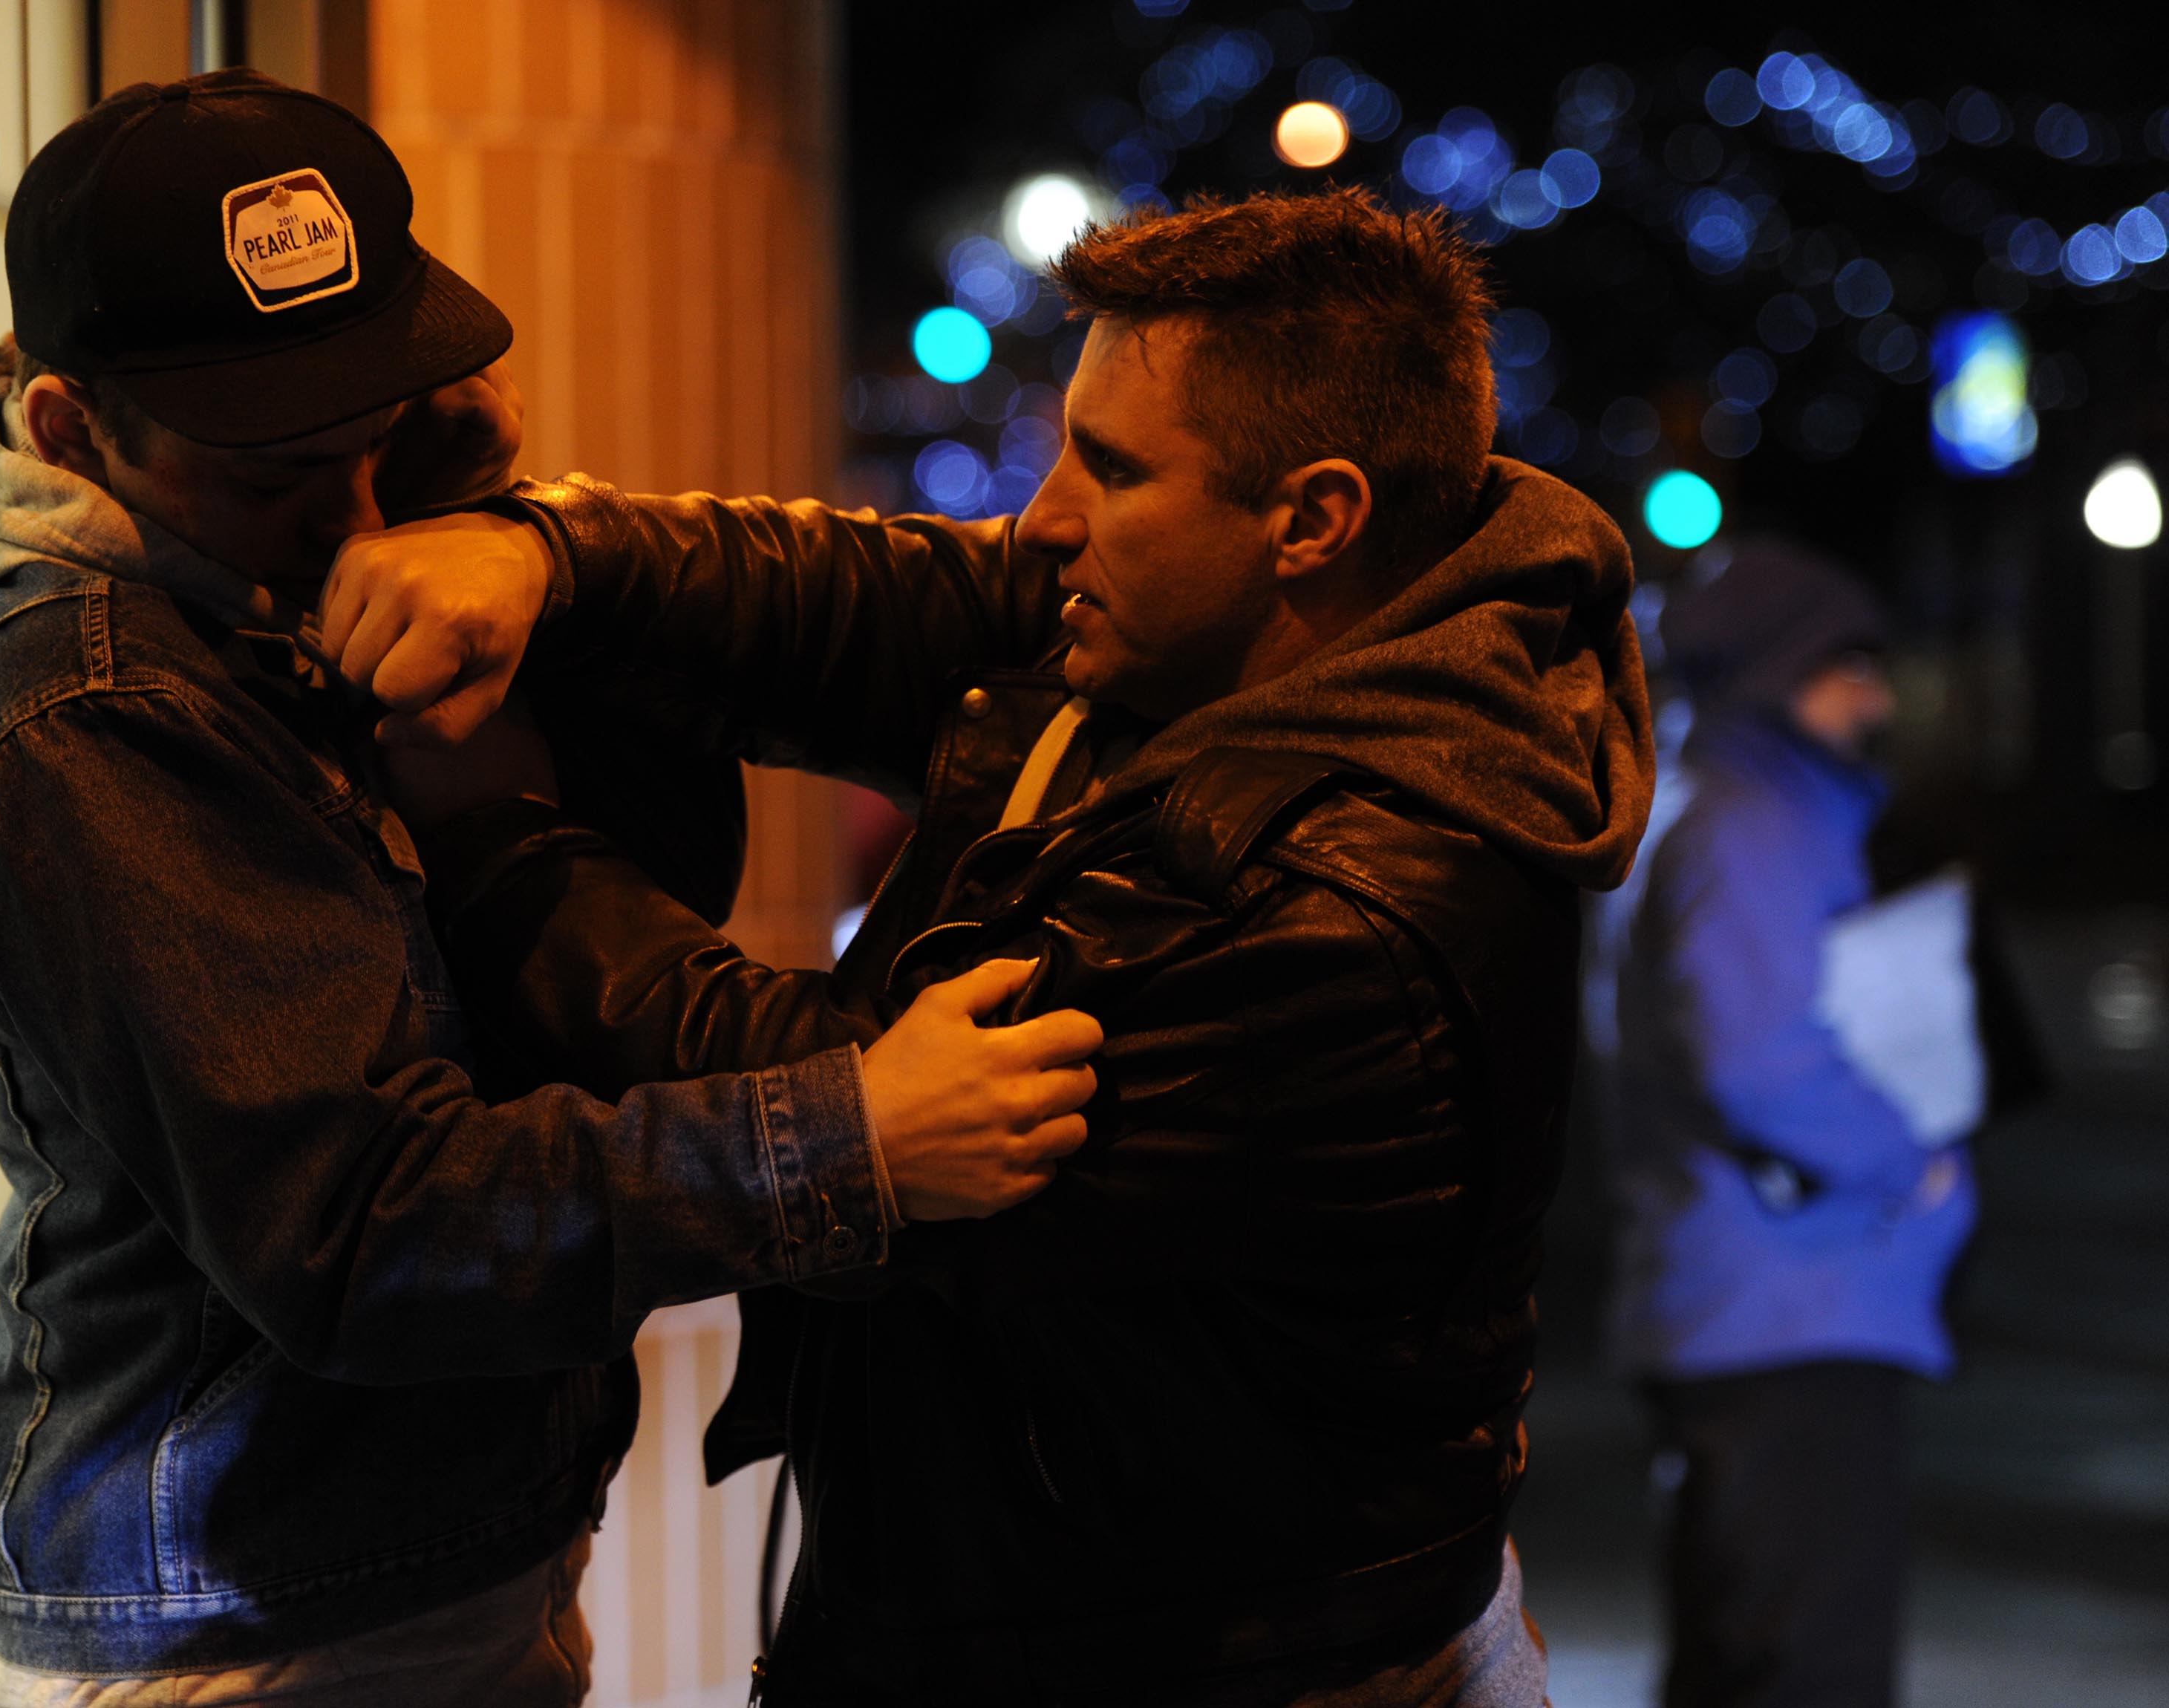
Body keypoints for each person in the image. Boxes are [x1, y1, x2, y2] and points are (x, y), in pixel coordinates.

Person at [325, 188, 1655, 1704]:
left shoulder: (1329, 911)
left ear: (1312, 518)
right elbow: (867, 598)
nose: (1044, 515)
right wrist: (544, 553)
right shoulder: (1203, 642)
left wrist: (500, 834)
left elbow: (849, 1110)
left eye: (1113, 467)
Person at [0, 70, 1103, 1701]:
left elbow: (637, 877)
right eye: (276, 464)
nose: (346, 505)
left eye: (371, 431)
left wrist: (516, 537)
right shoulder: (100, 704)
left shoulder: (276, 581)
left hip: (398, 1556)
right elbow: (357, 1226)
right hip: (268, 1616)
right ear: (78, 427)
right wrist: (844, 1136)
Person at [1609, 541, 1977, 1708]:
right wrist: (1906, 1163)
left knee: (1740, 1657)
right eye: (1850, 664)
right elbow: (1759, 1058)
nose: (1875, 696)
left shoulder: (1710, 812)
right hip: (1791, 1312)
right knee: (1808, 1668)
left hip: (1742, 1305)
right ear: (1780, 672)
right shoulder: (1755, 826)